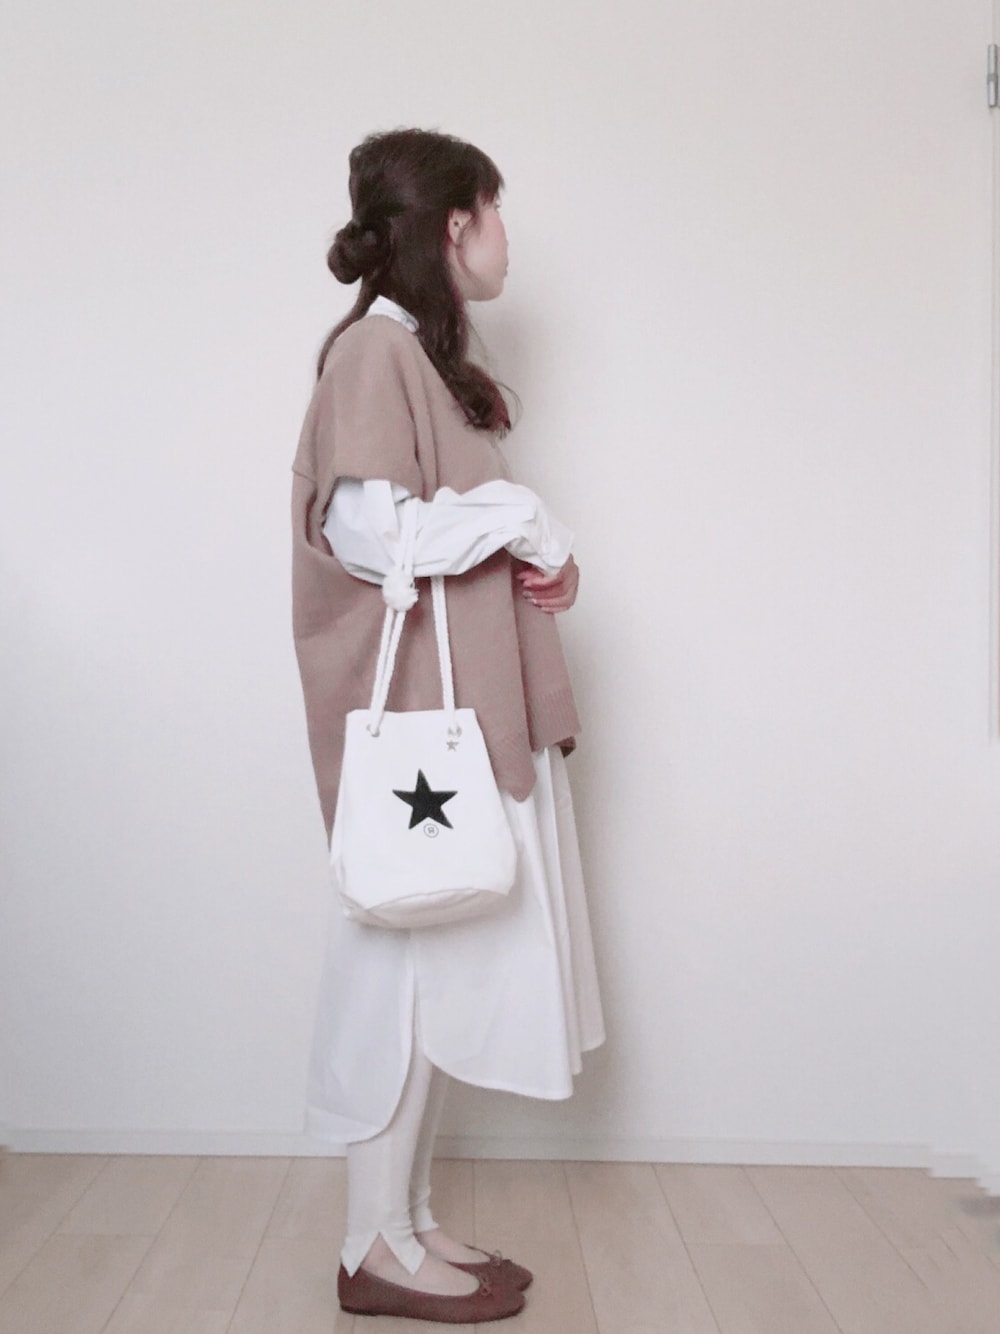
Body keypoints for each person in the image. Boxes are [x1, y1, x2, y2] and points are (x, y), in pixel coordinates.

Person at [291, 128, 605, 1324]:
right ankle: (370, 1242)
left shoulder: (412, 354)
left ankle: (406, 1219)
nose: (508, 236)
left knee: (430, 974)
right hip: (430, 731)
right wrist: (522, 515)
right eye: (495, 208)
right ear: (454, 224)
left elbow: (434, 531)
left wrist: (528, 542)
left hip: (458, 720)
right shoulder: (374, 351)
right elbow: (373, 537)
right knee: (401, 984)